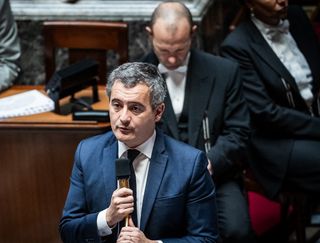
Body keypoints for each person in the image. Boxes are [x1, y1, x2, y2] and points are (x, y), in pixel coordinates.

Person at [59, 62, 218, 242]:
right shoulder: (87, 153)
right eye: (117, 105)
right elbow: (68, 230)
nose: (124, 118)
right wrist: (107, 218)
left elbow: (206, 238)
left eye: (135, 108)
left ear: (158, 112)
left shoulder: (190, 163)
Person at [141, 2, 255, 243]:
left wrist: (210, 163)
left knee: (238, 231)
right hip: (158, 179)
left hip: (215, 174)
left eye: (180, 49)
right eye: (163, 50)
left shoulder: (225, 72)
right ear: (150, 35)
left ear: (193, 33)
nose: (171, 58)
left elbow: (238, 133)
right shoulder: (135, 77)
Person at [221, 0, 320, 200]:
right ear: (250, 4)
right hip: (277, 141)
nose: (281, 0)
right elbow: (266, 113)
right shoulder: (236, 46)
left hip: (311, 120)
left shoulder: (296, 15)